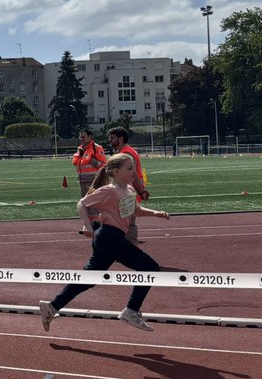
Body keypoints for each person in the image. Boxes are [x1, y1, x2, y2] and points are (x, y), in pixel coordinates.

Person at [39, 152, 171, 333]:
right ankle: (131, 310)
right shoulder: (109, 190)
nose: (134, 172)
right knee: (150, 268)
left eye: (134, 168)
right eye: (129, 168)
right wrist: (88, 226)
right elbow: (82, 204)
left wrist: (155, 213)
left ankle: (52, 307)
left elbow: (134, 210)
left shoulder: (130, 190)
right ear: (116, 172)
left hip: (111, 238)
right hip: (108, 236)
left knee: (89, 278)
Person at [107, 126, 148, 242]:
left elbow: (133, 175)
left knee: (128, 226)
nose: (110, 140)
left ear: (121, 139)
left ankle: (131, 251)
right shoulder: (125, 152)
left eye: (112, 138)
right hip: (126, 192)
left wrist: (141, 191)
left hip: (128, 194)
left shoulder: (126, 154)